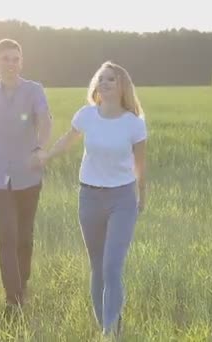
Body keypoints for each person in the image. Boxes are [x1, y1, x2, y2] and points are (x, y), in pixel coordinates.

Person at [36, 61, 147, 337]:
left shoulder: (134, 124)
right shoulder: (87, 115)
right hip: (89, 197)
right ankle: (105, 325)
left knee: (112, 266)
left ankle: (111, 330)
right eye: (102, 79)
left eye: (111, 79)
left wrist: (141, 197)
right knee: (97, 265)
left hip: (122, 199)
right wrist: (46, 156)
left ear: (123, 86)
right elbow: (67, 140)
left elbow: (140, 165)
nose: (105, 83)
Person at [0, 38, 52, 317]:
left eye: (16, 59)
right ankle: (13, 300)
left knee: (24, 239)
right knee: (7, 236)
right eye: (5, 58)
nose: (11, 64)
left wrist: (41, 148)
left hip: (28, 177)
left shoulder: (34, 90)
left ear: (22, 63)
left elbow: (45, 120)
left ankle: (22, 284)